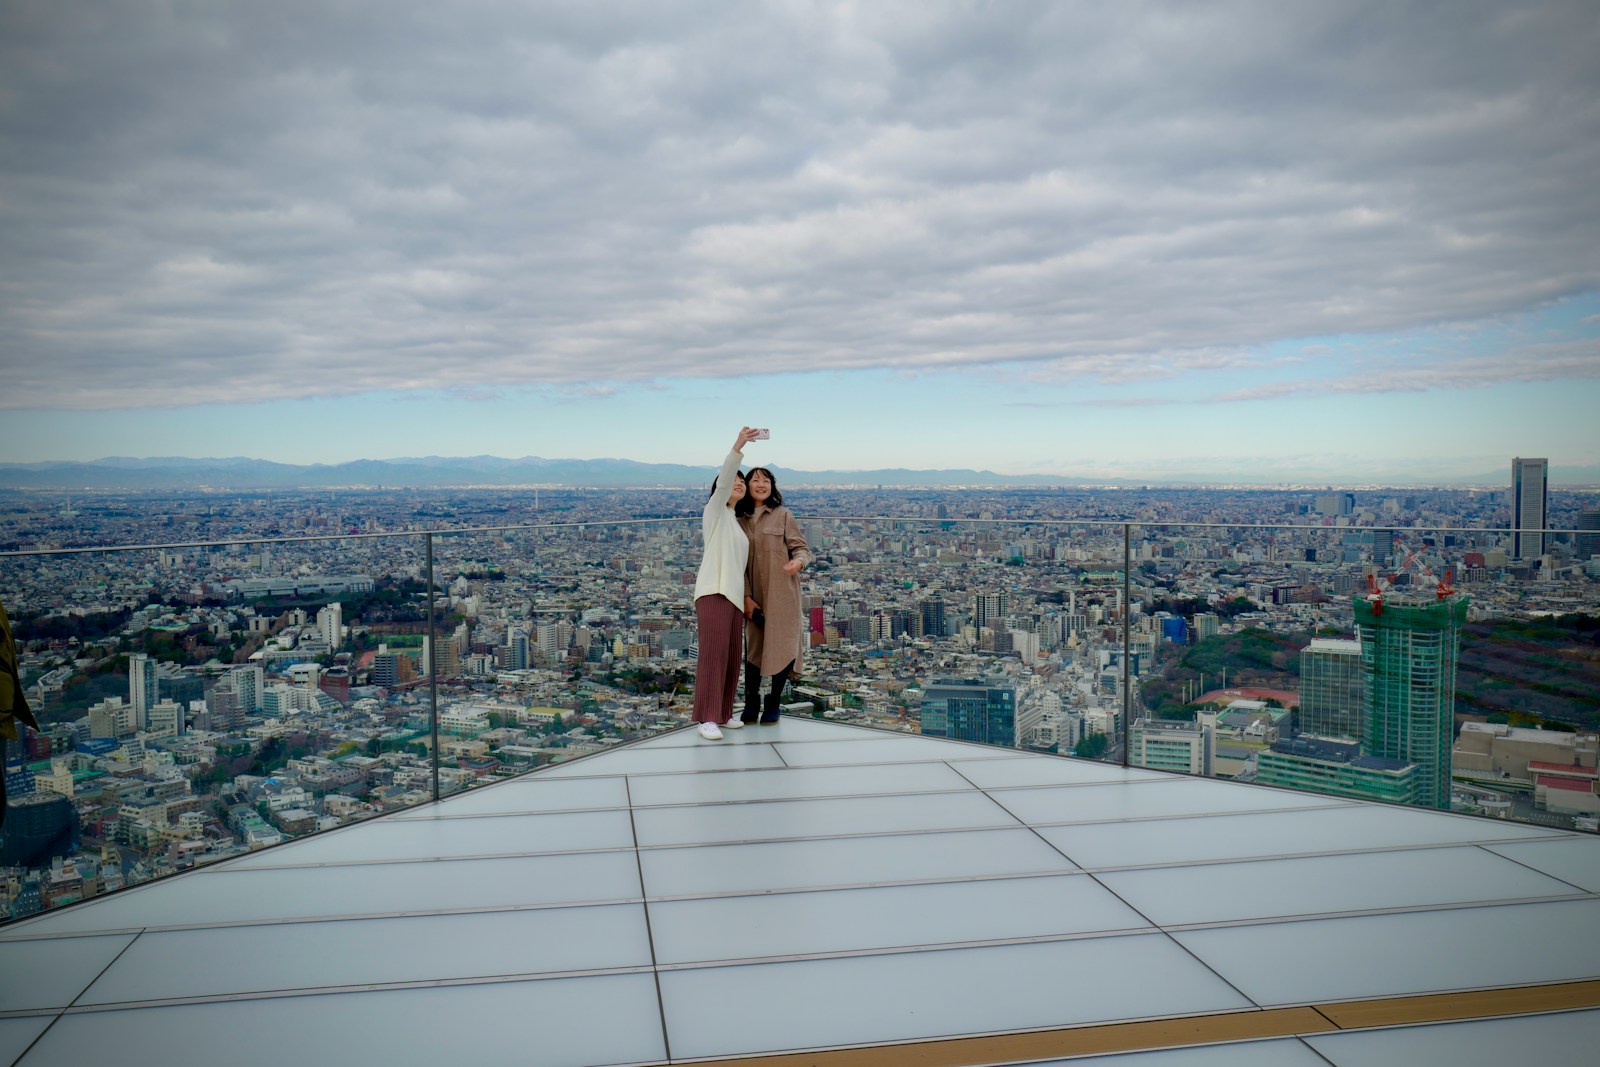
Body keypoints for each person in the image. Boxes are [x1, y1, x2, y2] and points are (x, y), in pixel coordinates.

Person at [692, 427, 762, 740]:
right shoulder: (716, 512)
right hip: (714, 592)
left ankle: (722, 712)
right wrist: (739, 445)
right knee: (713, 655)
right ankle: (706, 718)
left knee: (732, 656)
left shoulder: (735, 520)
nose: (738, 483)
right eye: (735, 480)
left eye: (742, 482)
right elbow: (723, 483)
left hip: (732, 595)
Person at [737, 465, 812, 724]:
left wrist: (798, 563)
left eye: (766, 480)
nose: (761, 484)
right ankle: (751, 701)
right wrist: (745, 597)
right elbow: (736, 562)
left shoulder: (783, 515)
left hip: (782, 594)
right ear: (746, 486)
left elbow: (801, 548)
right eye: (755, 480)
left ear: (772, 486)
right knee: (754, 650)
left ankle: (774, 703)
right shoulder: (738, 519)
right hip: (753, 595)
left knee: (782, 647)